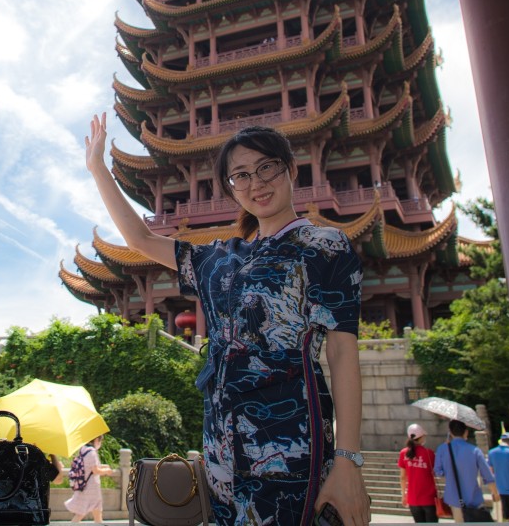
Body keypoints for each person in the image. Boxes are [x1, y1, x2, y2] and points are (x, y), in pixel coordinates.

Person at [84, 117, 369, 526]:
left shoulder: (323, 246)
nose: (257, 183)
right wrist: (98, 168)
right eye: (241, 175)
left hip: (290, 445)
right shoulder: (220, 259)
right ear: (231, 187)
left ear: (291, 168)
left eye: (267, 167)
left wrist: (347, 460)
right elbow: (141, 241)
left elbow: (342, 353)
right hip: (220, 448)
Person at [434, 420, 500, 522]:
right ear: (466, 432)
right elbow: (488, 475)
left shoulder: (442, 449)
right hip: (474, 498)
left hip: (454, 499)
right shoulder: (475, 450)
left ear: (450, 432)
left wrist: (449, 472)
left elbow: (438, 471)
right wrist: (495, 493)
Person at [64, 435, 112, 523]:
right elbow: (95, 470)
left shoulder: (83, 450)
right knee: (92, 510)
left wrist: (103, 467)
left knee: (84, 512)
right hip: (91, 487)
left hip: (84, 485)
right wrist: (106, 471)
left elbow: (89, 466)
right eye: (100, 441)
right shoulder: (92, 452)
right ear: (96, 440)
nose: (100, 443)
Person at [398, 423, 439, 522]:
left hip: (412, 498)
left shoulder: (403, 453)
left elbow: (403, 477)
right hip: (429, 498)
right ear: (421, 437)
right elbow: (436, 471)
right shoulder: (429, 453)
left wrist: (404, 495)